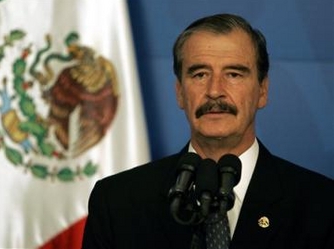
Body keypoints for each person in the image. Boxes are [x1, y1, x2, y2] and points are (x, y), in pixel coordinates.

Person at [82, 13, 334, 249]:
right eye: (200, 74)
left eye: (234, 74)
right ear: (180, 92)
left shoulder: (322, 206)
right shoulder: (118, 202)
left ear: (262, 91)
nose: (215, 90)